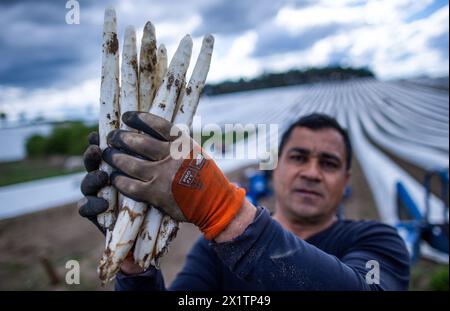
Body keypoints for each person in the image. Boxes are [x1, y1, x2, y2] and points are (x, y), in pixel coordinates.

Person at [78, 112, 410, 290]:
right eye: (298, 157)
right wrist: (135, 273)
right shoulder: (212, 252)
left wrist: (225, 214)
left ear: (346, 181)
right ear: (275, 166)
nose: (312, 172)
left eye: (329, 163)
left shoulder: (376, 241)